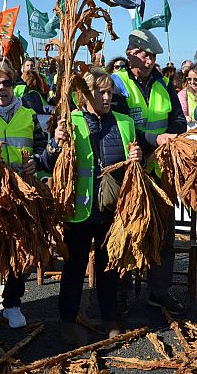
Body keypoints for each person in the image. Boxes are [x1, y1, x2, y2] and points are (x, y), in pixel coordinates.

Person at [56, 67, 140, 345]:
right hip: (79, 211)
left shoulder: (125, 122)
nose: (106, 97)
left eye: (109, 92)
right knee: (74, 269)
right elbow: (51, 161)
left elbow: (135, 164)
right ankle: (67, 321)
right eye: (100, 92)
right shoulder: (70, 121)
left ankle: (109, 319)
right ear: (85, 94)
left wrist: (137, 156)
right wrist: (56, 145)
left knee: (109, 268)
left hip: (112, 211)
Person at [0, 64, 59, 329]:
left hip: (22, 193)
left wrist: (37, 161)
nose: (2, 88)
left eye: (7, 83)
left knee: (22, 248)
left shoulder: (27, 114)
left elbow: (42, 151)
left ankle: (12, 303)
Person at [110, 29, 187, 315]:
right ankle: (121, 291)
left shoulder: (163, 84)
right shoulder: (117, 84)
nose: (150, 60)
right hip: (130, 168)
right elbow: (119, 125)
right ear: (131, 53)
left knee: (163, 233)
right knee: (127, 230)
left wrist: (169, 138)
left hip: (160, 168)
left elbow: (178, 120)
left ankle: (159, 291)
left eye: (153, 55)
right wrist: (153, 140)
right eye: (145, 54)